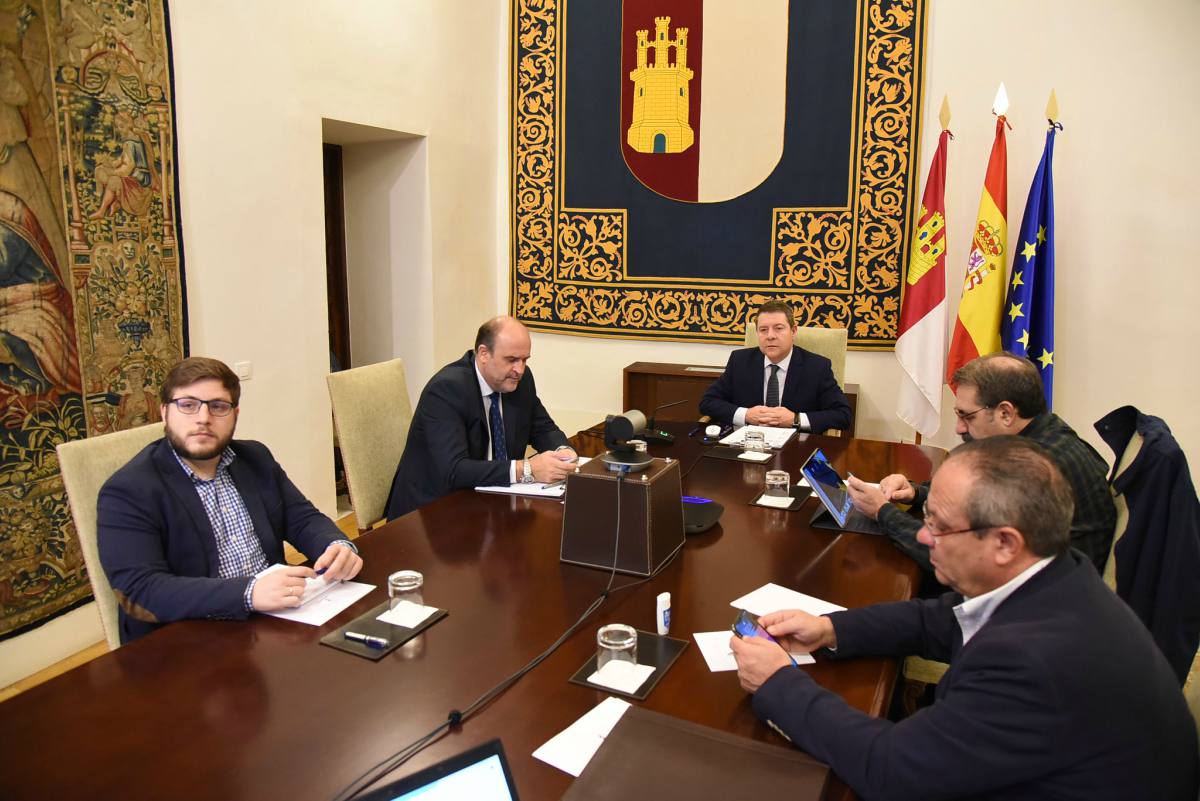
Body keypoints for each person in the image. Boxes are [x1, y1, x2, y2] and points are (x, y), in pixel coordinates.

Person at [731, 437, 1198, 801]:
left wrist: (778, 682)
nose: (925, 537)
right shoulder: (1058, 575)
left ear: (1005, 543)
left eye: (938, 525)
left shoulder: (1032, 662)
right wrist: (831, 628)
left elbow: (892, 771)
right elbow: (941, 620)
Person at [97, 357, 363, 643]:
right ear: (164, 413)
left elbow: (301, 517)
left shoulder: (254, 458)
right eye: (187, 405)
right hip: (188, 642)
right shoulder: (127, 491)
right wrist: (248, 593)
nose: (203, 418)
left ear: (235, 414)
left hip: (275, 623)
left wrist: (337, 545)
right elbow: (142, 591)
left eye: (218, 406)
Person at [847, 352, 1115, 576]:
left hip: (1039, 605)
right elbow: (972, 503)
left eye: (967, 416)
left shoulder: (1037, 467)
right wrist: (915, 493)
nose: (959, 427)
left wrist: (882, 512)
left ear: (1006, 413)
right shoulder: (1040, 432)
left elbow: (955, 555)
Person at [385, 316, 576, 519]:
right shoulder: (446, 390)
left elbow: (543, 428)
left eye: (525, 360)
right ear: (484, 353)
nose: (520, 370)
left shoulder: (520, 380)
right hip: (431, 514)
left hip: (490, 503)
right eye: (511, 360)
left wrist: (563, 453)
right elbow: (454, 470)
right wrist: (526, 469)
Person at [699, 300, 851, 433]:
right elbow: (708, 402)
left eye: (778, 328)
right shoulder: (740, 361)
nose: (770, 336)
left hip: (795, 448)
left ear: (793, 331)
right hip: (747, 446)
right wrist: (746, 415)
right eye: (763, 330)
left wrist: (795, 419)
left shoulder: (817, 367)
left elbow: (843, 415)